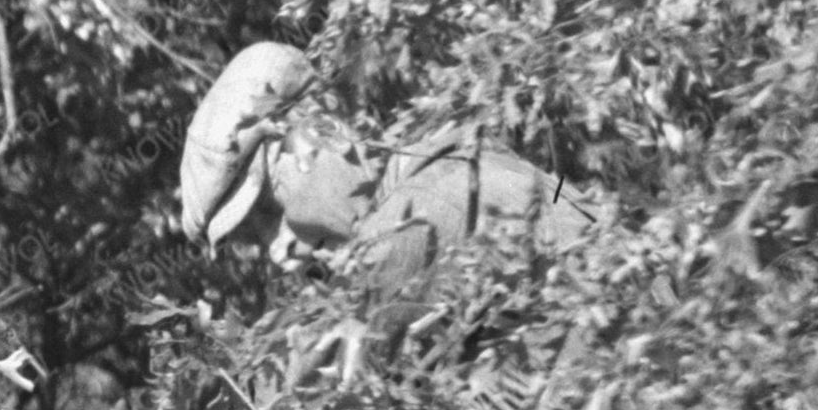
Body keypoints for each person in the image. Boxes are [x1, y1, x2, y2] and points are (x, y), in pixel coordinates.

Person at [175, 42, 607, 302]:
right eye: (254, 238)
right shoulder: (451, 160)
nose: (277, 252)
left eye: (269, 210)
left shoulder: (424, 213)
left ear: (322, 128)